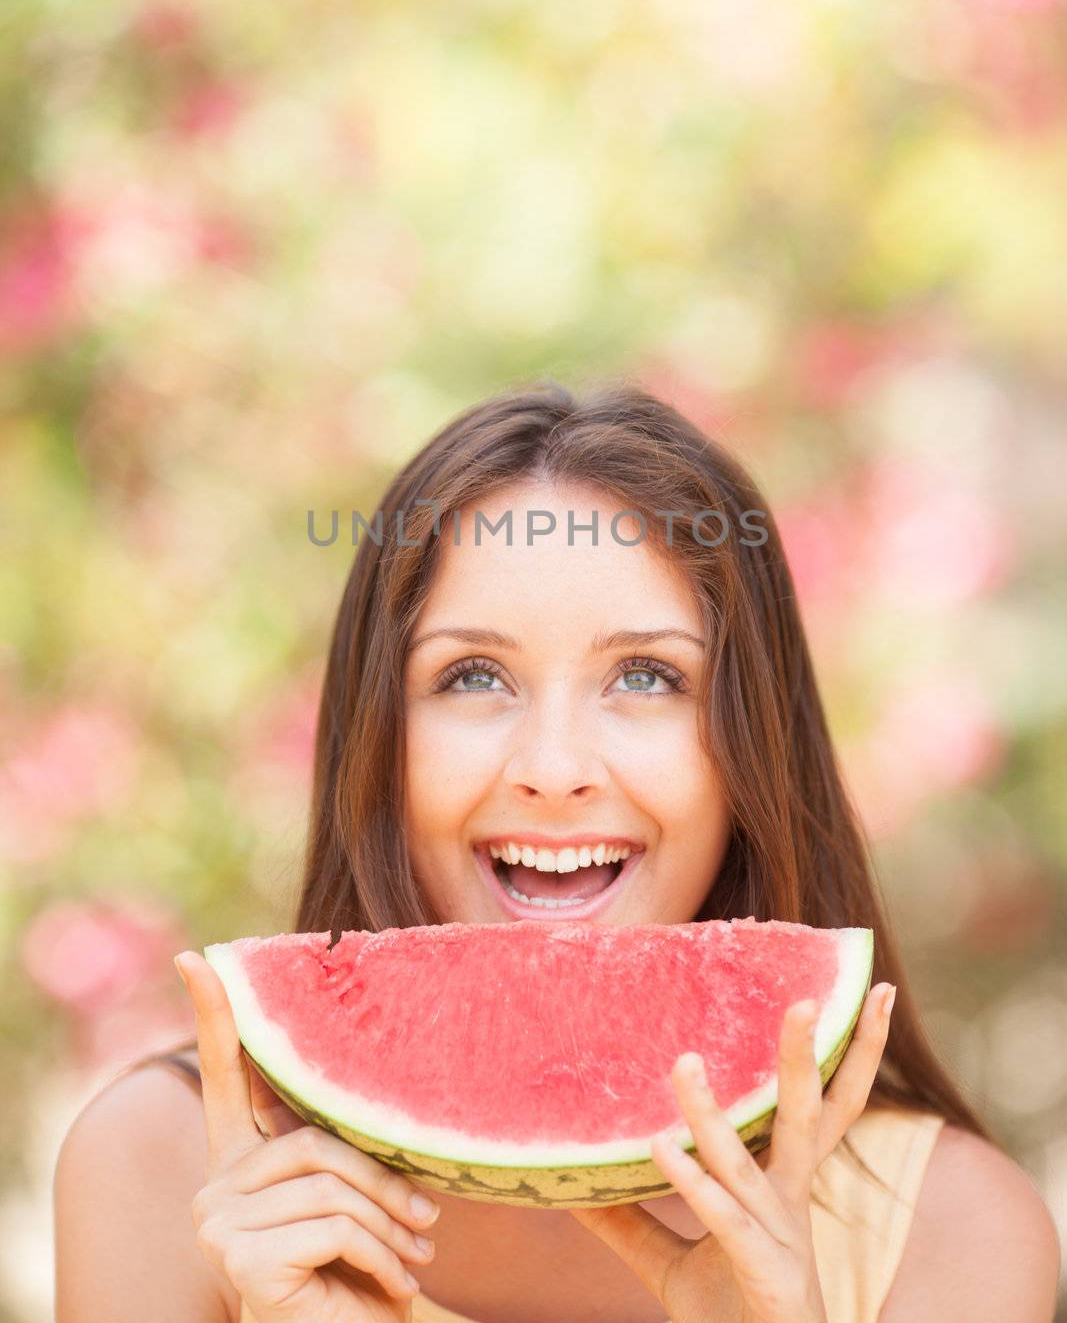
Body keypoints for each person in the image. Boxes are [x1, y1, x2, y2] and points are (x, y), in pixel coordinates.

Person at [54, 378, 1060, 1323]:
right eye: (473, 675)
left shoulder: (953, 1231)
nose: (553, 766)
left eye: (647, 676)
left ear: (751, 743)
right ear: (378, 739)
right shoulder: (159, 1168)